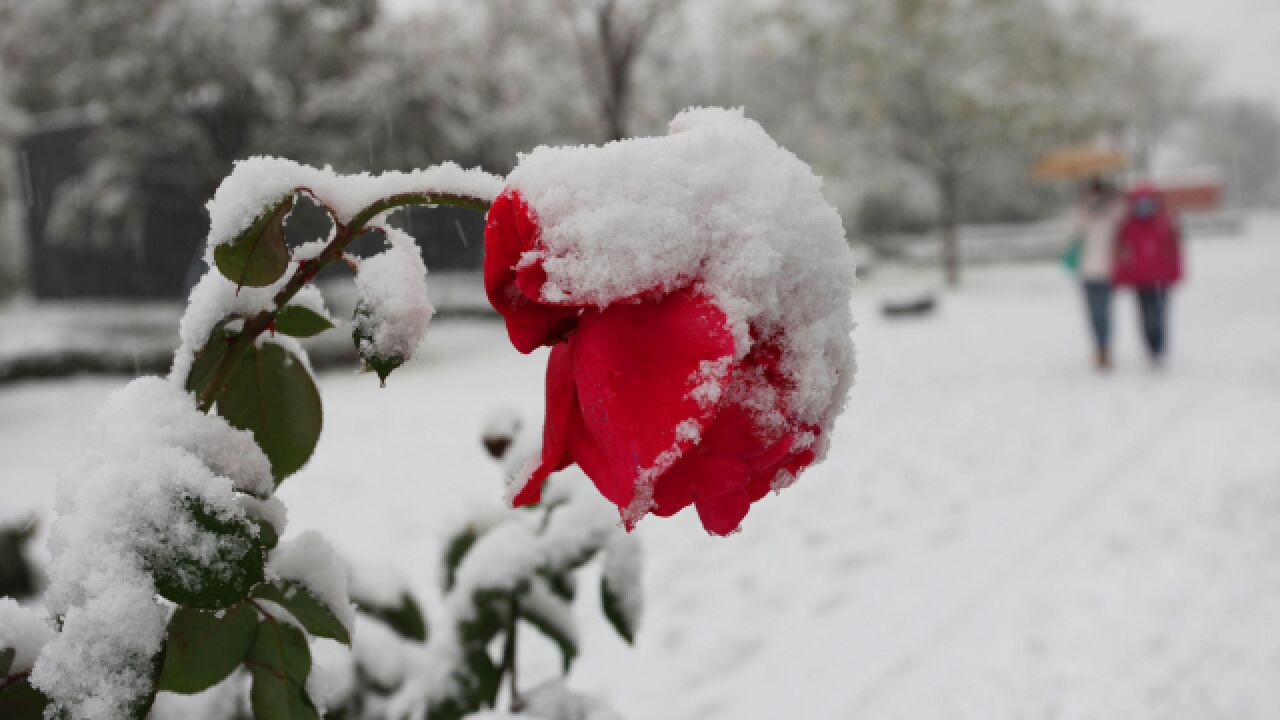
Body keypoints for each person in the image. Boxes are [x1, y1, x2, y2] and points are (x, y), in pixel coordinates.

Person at [1113, 184, 1183, 366]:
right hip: (1140, 280)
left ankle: (1159, 347)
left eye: (1147, 202)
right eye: (1140, 203)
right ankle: (1151, 347)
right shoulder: (1127, 225)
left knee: (1159, 314)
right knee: (1145, 316)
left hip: (1162, 278)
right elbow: (1122, 253)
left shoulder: (1165, 222)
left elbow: (1174, 251)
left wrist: (1176, 273)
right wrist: (1122, 277)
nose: (1144, 206)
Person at [1066, 177, 1122, 370]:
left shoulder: (1113, 213)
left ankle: (1104, 348)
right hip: (1087, 272)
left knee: (1103, 312)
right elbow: (1071, 236)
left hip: (1108, 272)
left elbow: (1122, 231)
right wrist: (1084, 214)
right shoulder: (1081, 213)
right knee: (1093, 313)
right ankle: (1099, 348)